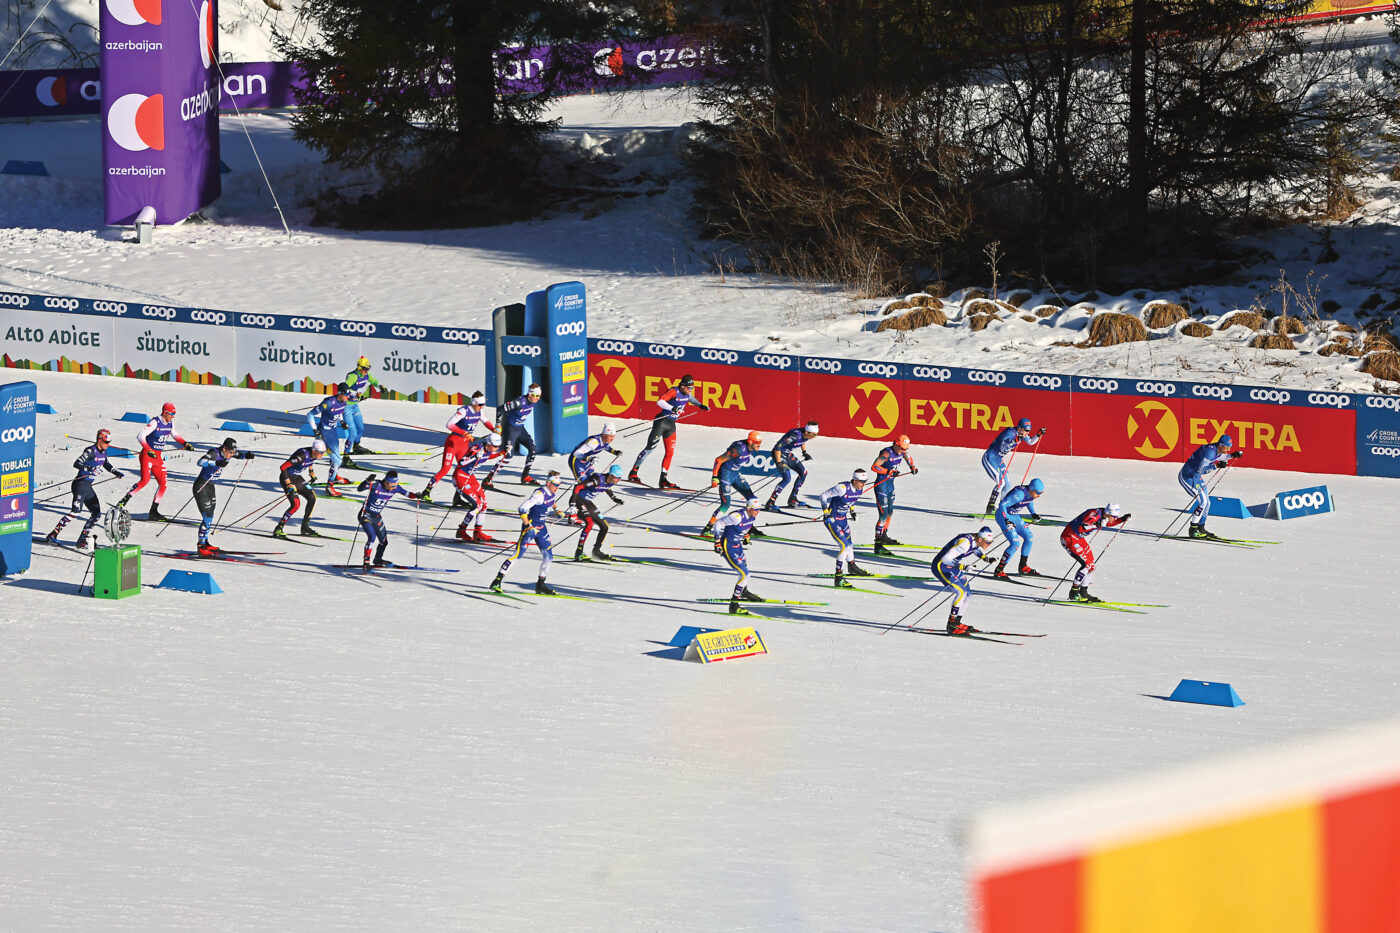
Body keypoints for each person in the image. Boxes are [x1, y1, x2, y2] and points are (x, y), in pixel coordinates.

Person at [629, 374, 711, 489]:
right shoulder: (674, 391)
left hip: (671, 425)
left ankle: (663, 480)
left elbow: (691, 399)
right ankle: (633, 472)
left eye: (692, 388)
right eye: (689, 388)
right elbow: (660, 402)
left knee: (670, 453)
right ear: (683, 386)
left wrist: (700, 405)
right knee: (650, 449)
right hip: (661, 422)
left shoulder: (687, 393)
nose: (691, 390)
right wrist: (673, 408)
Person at [46, 428, 123, 548]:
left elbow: (106, 463)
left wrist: (115, 472)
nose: (108, 444)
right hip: (80, 485)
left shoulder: (104, 452)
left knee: (96, 514)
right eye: (106, 442)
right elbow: (77, 463)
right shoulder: (90, 451)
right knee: (75, 512)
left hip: (88, 487)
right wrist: (90, 469)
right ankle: (53, 534)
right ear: (99, 440)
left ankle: (82, 540)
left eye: (109, 442)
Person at [116, 401, 193, 521]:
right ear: (165, 412)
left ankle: (153, 511)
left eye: (174, 414)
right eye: (171, 414)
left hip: (157, 457)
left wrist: (184, 443)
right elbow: (140, 436)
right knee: (145, 480)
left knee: (163, 484)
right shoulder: (155, 422)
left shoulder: (170, 423)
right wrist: (148, 449)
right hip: (147, 455)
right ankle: (122, 502)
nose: (173, 416)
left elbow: (174, 434)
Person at [491, 471, 564, 595]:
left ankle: (540, 585)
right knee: (517, 555)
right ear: (548, 483)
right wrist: (528, 526)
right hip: (531, 527)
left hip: (542, 528)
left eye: (559, 484)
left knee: (549, 557)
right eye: (556, 485)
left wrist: (557, 510)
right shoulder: (539, 494)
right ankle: (497, 581)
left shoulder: (551, 492)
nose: (558, 487)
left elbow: (552, 500)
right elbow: (522, 508)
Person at [423, 390, 495, 501]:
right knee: (445, 469)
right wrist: (464, 433)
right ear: (474, 403)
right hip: (453, 443)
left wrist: (494, 430)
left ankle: (457, 498)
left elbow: (486, 421)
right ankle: (426, 492)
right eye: (480, 405)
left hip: (464, 444)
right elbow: (449, 425)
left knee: (464, 470)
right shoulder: (464, 411)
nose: (482, 407)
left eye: (483, 404)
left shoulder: (480, 411)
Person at [192, 437, 254, 555]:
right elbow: (200, 462)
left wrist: (247, 455)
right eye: (230, 452)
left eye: (233, 452)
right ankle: (200, 546)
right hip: (201, 485)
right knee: (207, 516)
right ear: (224, 448)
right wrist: (216, 463)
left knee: (210, 515)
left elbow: (239, 455)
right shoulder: (214, 453)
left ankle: (205, 542)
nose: (232, 454)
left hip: (211, 487)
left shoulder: (229, 453)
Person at [932, 526, 999, 634]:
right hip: (941, 566)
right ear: (980, 539)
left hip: (952, 566)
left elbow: (975, 548)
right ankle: (951, 624)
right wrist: (963, 567)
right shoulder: (964, 543)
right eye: (988, 542)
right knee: (961, 592)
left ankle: (957, 622)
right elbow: (945, 559)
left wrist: (985, 558)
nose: (989, 544)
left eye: (991, 542)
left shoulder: (975, 540)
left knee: (968, 594)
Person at [1059, 503, 1131, 603]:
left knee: (1091, 566)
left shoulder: (1104, 515)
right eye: (1114, 516)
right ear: (1108, 513)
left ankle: (1084, 592)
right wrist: (1097, 524)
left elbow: (1108, 523)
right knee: (1085, 565)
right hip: (1069, 538)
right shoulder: (1094, 514)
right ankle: (1074, 593)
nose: (1115, 518)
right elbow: (1081, 528)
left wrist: (1122, 519)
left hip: (1078, 538)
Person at [1179, 434, 1242, 539]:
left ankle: (1201, 528)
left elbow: (1221, 456)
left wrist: (1232, 455)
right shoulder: (1209, 453)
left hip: (1195, 477)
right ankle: (1193, 530)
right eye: (1227, 448)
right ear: (1221, 445)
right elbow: (1201, 471)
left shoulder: (1216, 449)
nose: (1228, 450)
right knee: (1203, 502)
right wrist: (1216, 466)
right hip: (1187, 477)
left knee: (1207, 502)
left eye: (1230, 447)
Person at [356, 470, 421, 572]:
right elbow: (359, 489)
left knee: (384, 541)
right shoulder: (376, 485)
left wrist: (416, 495)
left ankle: (377, 559)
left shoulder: (396, 488)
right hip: (365, 514)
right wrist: (367, 481)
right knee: (372, 537)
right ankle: (366, 563)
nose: (394, 487)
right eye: (392, 485)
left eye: (396, 485)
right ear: (386, 482)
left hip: (376, 516)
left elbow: (408, 494)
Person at [701, 431, 763, 537]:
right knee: (726, 504)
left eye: (760, 442)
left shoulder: (750, 448)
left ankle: (748, 526)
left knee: (752, 499)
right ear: (750, 442)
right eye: (757, 442)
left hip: (735, 474)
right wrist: (715, 477)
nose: (759, 445)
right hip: (726, 474)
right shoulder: (738, 449)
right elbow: (718, 460)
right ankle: (707, 529)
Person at [819, 469, 873, 588]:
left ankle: (852, 566)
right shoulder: (842, 488)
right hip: (832, 520)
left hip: (843, 520)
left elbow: (851, 500)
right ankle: (838, 577)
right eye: (861, 481)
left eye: (865, 481)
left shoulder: (860, 489)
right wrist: (826, 513)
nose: (863, 484)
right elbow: (823, 496)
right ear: (854, 480)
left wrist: (852, 511)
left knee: (849, 544)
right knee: (844, 547)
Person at [982, 417, 1046, 515]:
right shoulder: (1010, 432)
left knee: (1007, 484)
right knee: (1001, 483)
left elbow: (1030, 442)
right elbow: (1003, 443)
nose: (1028, 433)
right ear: (1020, 428)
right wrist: (1014, 440)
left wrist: (1038, 435)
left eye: (1029, 431)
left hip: (998, 459)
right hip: (990, 458)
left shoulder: (1021, 434)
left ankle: (1003, 506)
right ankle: (990, 506)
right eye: (1026, 430)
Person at [712, 497, 765, 614]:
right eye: (756, 509)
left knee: (744, 568)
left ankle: (743, 591)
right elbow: (718, 523)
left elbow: (747, 526)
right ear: (749, 508)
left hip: (737, 545)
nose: (758, 512)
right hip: (728, 546)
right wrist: (716, 542)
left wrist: (746, 535)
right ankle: (734, 605)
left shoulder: (752, 515)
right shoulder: (737, 516)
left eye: (759, 509)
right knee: (744, 574)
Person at [451, 433, 506, 543]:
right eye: (495, 446)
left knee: (484, 504)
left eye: (498, 446)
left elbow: (489, 456)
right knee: (477, 505)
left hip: (470, 477)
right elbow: (462, 462)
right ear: (489, 444)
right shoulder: (476, 449)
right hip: (460, 477)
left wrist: (502, 452)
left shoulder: (488, 449)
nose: (497, 448)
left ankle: (478, 532)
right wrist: (474, 457)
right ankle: (461, 530)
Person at [484, 384, 542, 487]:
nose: (538, 398)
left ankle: (525, 476)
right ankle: (488, 479)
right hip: (510, 430)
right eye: (536, 396)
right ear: (530, 394)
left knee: (533, 449)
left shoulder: (532, 402)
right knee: (508, 457)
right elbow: (500, 409)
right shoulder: (518, 402)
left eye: (539, 396)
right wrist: (498, 425)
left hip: (520, 429)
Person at [870, 434, 918, 554]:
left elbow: (908, 457)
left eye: (905, 448)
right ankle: (878, 545)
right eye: (902, 448)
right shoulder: (887, 453)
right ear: (896, 444)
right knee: (883, 516)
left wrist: (912, 466)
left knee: (890, 512)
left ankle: (884, 536)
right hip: (881, 487)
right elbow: (874, 467)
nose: (903, 450)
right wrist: (888, 471)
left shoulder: (902, 451)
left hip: (890, 486)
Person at [273, 439, 326, 539]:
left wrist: (311, 472)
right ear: (314, 450)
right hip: (286, 477)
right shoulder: (301, 456)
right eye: (321, 452)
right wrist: (289, 484)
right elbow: (283, 467)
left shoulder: (314, 454)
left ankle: (305, 527)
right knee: (296, 505)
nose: (322, 455)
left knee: (312, 497)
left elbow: (311, 461)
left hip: (297, 477)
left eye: (324, 452)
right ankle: (278, 528)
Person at [305, 383, 352, 495]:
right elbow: (310, 415)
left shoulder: (344, 401)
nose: (348, 396)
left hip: (333, 432)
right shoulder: (328, 403)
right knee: (337, 460)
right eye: (346, 394)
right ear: (340, 393)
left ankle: (334, 476)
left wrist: (342, 422)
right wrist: (315, 430)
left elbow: (339, 412)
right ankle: (329, 487)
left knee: (336, 457)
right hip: (324, 433)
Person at [993, 477, 1044, 578]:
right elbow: (1002, 504)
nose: (1039, 495)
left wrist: (1033, 513)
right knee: (1015, 543)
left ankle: (1023, 566)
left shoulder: (1031, 494)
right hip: (1003, 515)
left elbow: (1029, 501)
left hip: (1014, 515)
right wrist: (1006, 520)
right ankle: (999, 570)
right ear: (1032, 489)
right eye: (1038, 493)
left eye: (1041, 493)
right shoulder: (1019, 495)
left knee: (1029, 537)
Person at [574, 464, 627, 561]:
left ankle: (596, 551)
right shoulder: (597, 480)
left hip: (587, 502)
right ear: (611, 475)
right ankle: (579, 552)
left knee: (604, 526)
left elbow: (607, 487)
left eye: (620, 478)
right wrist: (572, 504)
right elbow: (578, 487)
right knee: (589, 523)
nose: (618, 480)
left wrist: (614, 499)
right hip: (579, 500)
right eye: (617, 478)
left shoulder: (611, 481)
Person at [567, 423, 620, 514]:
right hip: (576, 461)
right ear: (604, 435)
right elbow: (576, 453)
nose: (612, 439)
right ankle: (574, 508)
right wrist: (588, 458)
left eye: (613, 436)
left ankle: (583, 503)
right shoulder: (594, 442)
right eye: (610, 436)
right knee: (582, 483)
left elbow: (606, 446)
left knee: (592, 480)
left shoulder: (605, 440)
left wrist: (614, 452)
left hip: (586, 461)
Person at [765, 421, 819, 510]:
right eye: (813, 435)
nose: (815, 437)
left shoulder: (806, 435)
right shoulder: (794, 436)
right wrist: (779, 463)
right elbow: (777, 447)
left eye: (816, 434)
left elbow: (803, 440)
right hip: (779, 453)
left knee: (803, 473)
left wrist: (804, 452)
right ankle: (770, 502)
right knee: (787, 479)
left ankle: (793, 499)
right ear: (807, 432)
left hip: (787, 454)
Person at [340, 356, 381, 468]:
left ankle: (356, 447)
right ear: (359, 367)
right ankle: (346, 457)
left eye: (368, 368)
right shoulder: (353, 376)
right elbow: (344, 389)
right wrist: (357, 394)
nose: (366, 371)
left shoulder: (366, 375)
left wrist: (380, 386)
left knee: (361, 428)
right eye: (364, 368)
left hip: (355, 406)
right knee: (352, 433)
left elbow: (373, 380)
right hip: (347, 407)